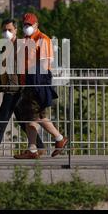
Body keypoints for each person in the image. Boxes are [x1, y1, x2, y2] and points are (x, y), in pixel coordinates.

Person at [0, 19, 45, 159]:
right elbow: (0, 70)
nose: (6, 32)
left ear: (16, 30)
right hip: (11, 89)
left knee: (2, 118)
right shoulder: (5, 47)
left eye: (9, 29)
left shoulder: (22, 46)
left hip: (17, 90)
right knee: (23, 121)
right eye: (3, 30)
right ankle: (39, 146)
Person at [14, 13, 68, 159]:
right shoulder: (26, 40)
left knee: (33, 116)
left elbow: (44, 64)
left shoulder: (43, 40)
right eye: (25, 24)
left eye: (29, 25)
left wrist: (34, 80)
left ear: (36, 25)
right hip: (29, 81)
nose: (27, 27)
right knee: (34, 116)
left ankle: (57, 139)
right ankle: (36, 148)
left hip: (38, 81)